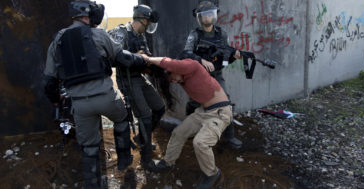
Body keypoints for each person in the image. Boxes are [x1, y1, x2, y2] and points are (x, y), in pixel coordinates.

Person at [43, 1, 147, 188]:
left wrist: (56, 102)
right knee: (122, 120)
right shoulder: (98, 34)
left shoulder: (57, 40)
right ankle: (124, 159)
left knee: (89, 146)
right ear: (86, 16)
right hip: (107, 97)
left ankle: (93, 183)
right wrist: (142, 60)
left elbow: (49, 82)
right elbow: (123, 58)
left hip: (80, 105)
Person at [141, 52, 232, 189]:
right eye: (172, 81)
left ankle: (212, 174)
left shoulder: (192, 66)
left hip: (220, 113)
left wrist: (147, 58)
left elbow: (169, 63)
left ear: (177, 69)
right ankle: (168, 162)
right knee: (178, 132)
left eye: (173, 78)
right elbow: (165, 70)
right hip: (203, 112)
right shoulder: (180, 77)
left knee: (200, 143)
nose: (175, 82)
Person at [108, 4, 165, 169]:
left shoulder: (141, 35)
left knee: (159, 108)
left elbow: (145, 57)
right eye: (148, 23)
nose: (149, 27)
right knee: (145, 117)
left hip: (139, 76)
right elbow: (113, 57)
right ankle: (146, 161)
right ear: (143, 20)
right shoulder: (121, 33)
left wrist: (156, 66)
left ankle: (141, 138)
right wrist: (136, 56)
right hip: (127, 79)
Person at [183, 0, 243, 150]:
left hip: (216, 75)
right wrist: (201, 61)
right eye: (204, 16)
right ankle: (189, 131)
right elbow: (186, 54)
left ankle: (229, 136)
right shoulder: (194, 35)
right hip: (198, 75)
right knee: (195, 103)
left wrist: (233, 57)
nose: (207, 18)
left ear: (214, 16)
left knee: (226, 102)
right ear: (200, 18)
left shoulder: (222, 34)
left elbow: (224, 59)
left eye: (210, 15)